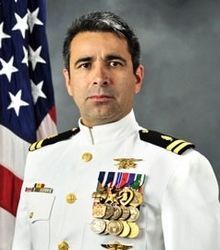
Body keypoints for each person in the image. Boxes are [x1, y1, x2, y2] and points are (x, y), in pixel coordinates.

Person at [12, 11, 220, 250]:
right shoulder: (41, 158)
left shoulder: (179, 166)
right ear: (69, 81)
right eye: (85, 64)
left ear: (137, 78)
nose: (99, 77)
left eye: (114, 63)